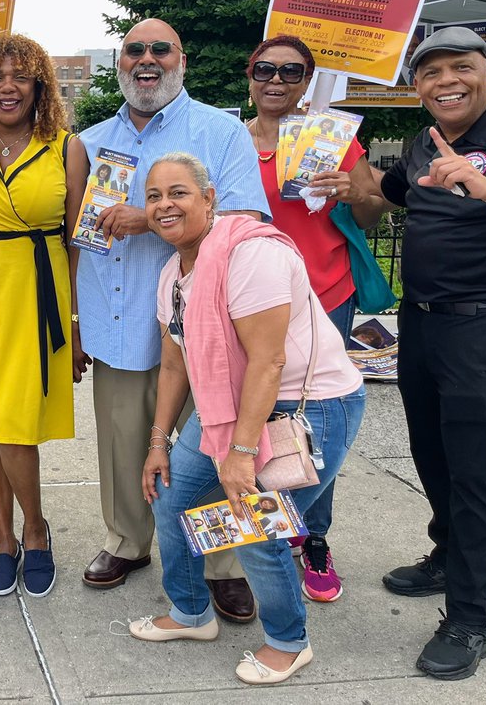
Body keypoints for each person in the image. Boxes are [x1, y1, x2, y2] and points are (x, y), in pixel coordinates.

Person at [130, 153, 365, 686]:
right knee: (171, 493)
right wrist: (158, 442)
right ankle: (191, 613)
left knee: (255, 526)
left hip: (308, 406)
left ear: (209, 198)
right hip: (230, 409)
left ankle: (288, 642)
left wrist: (240, 454)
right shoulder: (173, 274)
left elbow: (268, 361)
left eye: (178, 193)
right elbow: (175, 364)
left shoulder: (251, 254)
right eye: (154, 196)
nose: (165, 205)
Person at [74, 18, 267, 625]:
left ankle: (223, 565)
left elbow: (247, 221)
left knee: (211, 448)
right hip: (119, 321)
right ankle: (128, 541)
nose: (147, 59)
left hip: (204, 329)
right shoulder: (90, 141)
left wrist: (153, 218)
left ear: (181, 61)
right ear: (119, 63)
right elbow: (76, 236)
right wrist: (77, 319)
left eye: (161, 49)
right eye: (134, 50)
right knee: (123, 443)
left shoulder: (220, 131)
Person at [352, 26, 486, 680]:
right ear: (417, 87)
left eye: (460, 67)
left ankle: (471, 620)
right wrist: (339, 150)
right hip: (418, 325)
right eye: (431, 72)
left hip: (482, 327)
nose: (446, 81)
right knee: (432, 454)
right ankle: (447, 555)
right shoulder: (425, 142)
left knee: (475, 472)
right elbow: (381, 193)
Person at [0, 33, 87, 598]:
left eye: (21, 76)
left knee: (12, 420)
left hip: (36, 289)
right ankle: (3, 537)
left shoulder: (66, 148)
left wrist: (74, 321)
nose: (8, 87)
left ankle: (35, 529)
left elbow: (78, 242)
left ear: (40, 86)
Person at [243, 34, 376, 602]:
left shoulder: (332, 138)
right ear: (250, 75)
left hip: (324, 296)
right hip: (251, 303)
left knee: (318, 426)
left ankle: (313, 536)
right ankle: (265, 531)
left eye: (292, 72)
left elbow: (372, 211)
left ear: (307, 82)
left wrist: (352, 192)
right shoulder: (229, 140)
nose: (277, 80)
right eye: (266, 69)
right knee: (257, 419)